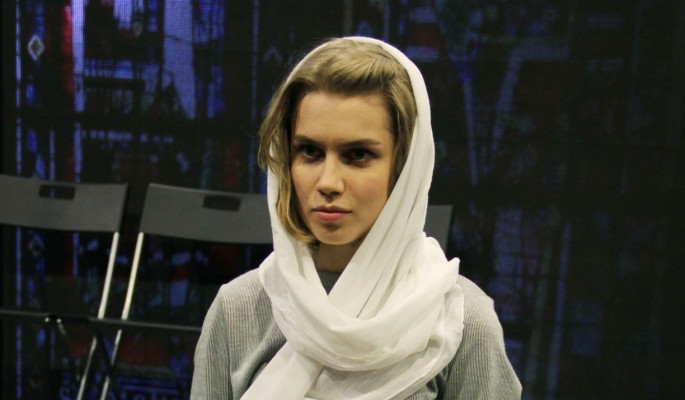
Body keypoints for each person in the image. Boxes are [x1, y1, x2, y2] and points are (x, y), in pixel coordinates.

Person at [191, 36, 521, 399]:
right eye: (310, 151)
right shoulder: (236, 312)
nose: (328, 182)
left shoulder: (463, 324)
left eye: (358, 155)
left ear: (405, 167)